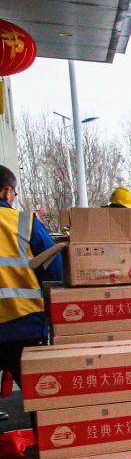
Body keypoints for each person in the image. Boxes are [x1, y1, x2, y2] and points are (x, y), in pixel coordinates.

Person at [0, 165, 64, 386]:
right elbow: (55, 270)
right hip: (23, 324)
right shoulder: (24, 223)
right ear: (7, 192)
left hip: (21, 326)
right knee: (37, 392)